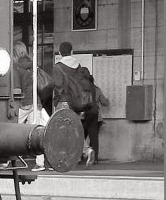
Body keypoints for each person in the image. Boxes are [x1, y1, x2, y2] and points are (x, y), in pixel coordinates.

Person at [52, 41, 101, 165]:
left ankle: (60, 159)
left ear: (59, 53)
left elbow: (58, 87)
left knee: (60, 131)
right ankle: (85, 150)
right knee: (73, 130)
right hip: (76, 103)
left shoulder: (57, 67)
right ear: (72, 52)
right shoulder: (78, 66)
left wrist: (56, 101)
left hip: (63, 102)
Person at [12, 41, 50, 170]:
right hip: (36, 102)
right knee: (40, 131)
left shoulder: (16, 67)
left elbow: (17, 88)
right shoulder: (33, 65)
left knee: (10, 130)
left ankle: (6, 159)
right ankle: (40, 163)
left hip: (24, 103)